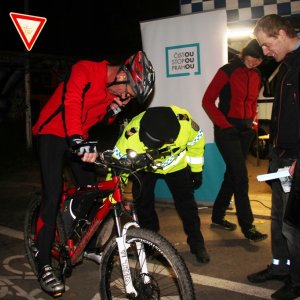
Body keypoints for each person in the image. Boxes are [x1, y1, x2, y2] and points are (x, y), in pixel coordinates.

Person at [31, 51, 155, 295]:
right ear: (121, 75)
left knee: (93, 191)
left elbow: (97, 121)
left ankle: (83, 243)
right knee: (53, 194)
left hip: (79, 137)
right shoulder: (86, 70)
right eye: (127, 92)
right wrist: (77, 140)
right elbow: (72, 102)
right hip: (52, 133)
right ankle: (43, 259)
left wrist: (113, 112)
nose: (126, 97)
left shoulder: (114, 93)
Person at [111, 105, 210, 263]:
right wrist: (112, 197)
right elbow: (116, 167)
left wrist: (196, 170)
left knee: (187, 205)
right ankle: (151, 244)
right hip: (144, 167)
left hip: (175, 166)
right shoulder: (131, 135)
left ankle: (197, 244)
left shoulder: (185, 124)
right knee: (144, 204)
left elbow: (196, 142)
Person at [247, 14, 300, 300]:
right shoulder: (286, 67)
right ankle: (281, 267)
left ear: (281, 33)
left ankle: (296, 279)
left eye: (267, 45)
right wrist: (273, 155)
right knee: (278, 218)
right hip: (281, 157)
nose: (265, 53)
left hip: (295, 160)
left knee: (293, 226)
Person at [202, 39, 268, 242]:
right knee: (240, 176)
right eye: (251, 57)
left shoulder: (257, 74)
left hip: (246, 131)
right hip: (227, 130)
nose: (254, 62)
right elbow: (207, 100)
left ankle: (218, 216)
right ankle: (248, 227)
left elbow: (253, 102)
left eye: (258, 60)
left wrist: (254, 124)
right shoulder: (228, 70)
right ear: (244, 53)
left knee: (232, 175)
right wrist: (224, 125)